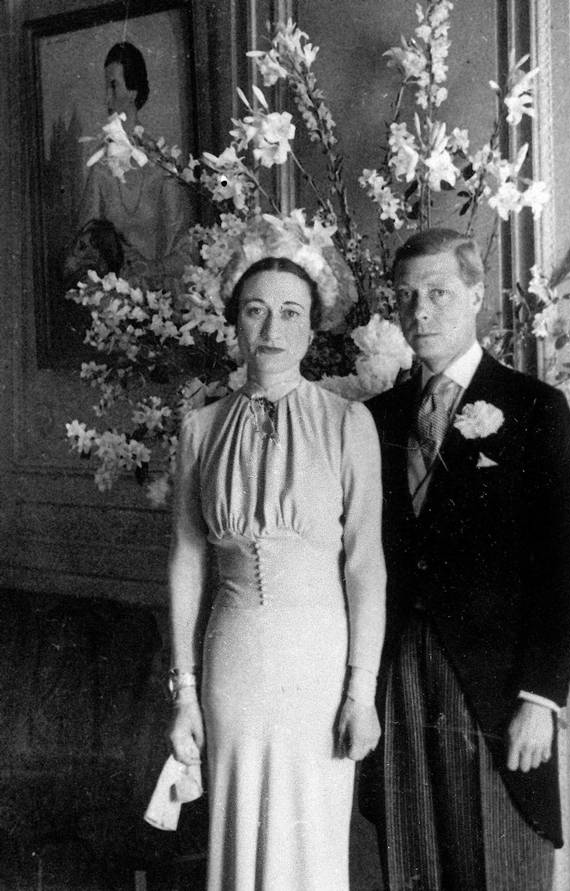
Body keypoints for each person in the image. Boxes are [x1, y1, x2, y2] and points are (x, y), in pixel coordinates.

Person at [363, 228, 570, 891]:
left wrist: (540, 698)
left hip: (495, 687)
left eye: (438, 293)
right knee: (414, 862)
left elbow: (566, 559)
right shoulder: (375, 419)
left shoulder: (535, 408)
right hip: (399, 675)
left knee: (498, 863)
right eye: (406, 296)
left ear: (475, 294)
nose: (420, 311)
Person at [167, 214, 386, 891]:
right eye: (255, 310)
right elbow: (186, 562)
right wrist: (185, 693)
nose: (272, 328)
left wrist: (361, 692)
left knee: (311, 832)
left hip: (318, 660)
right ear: (234, 322)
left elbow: (365, 565)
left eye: (290, 312)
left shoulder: (348, 422)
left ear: (312, 327)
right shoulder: (201, 429)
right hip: (231, 656)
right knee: (237, 828)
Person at [77, 41, 192, 289]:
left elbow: (186, 250)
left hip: (162, 300)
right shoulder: (100, 168)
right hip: (113, 300)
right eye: (106, 86)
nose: (107, 97)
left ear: (133, 91)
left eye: (113, 85)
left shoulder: (162, 165)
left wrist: (153, 269)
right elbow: (83, 247)